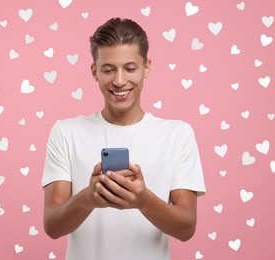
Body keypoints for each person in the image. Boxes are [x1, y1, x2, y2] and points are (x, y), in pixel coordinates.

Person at [42, 17, 206, 260]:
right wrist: (89, 198)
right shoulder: (66, 133)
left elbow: (186, 227)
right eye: (108, 69)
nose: (119, 81)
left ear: (147, 67)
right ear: (94, 71)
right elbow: (53, 226)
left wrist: (143, 200)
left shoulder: (177, 134)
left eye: (130, 68)